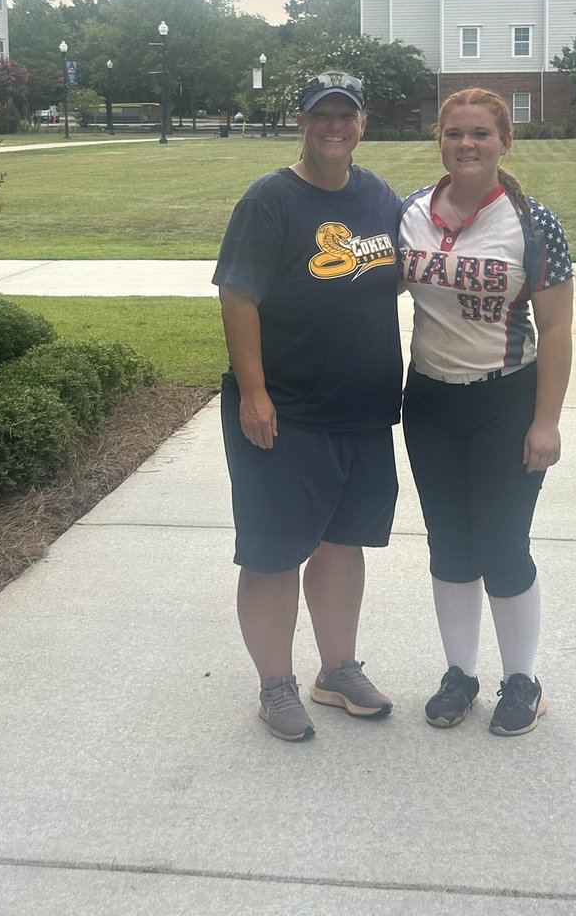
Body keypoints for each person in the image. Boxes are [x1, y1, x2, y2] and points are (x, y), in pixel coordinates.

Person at [213, 71, 403, 742]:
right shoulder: (271, 200)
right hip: (285, 412)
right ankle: (276, 685)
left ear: (361, 123)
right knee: (272, 553)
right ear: (301, 121)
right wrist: (255, 393)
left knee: (343, 542)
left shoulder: (378, 195)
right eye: (321, 115)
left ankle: (337, 669)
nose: (334, 127)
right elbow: (237, 297)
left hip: (362, 408)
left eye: (345, 116)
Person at [399, 88, 573, 736]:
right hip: (431, 401)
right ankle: (460, 675)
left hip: (506, 399)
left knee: (502, 547)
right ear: (439, 139)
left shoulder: (533, 223)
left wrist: (546, 421)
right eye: (454, 134)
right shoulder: (409, 214)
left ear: (504, 142)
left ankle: (522, 680)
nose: (466, 145)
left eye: (480, 134)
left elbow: (556, 328)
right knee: (449, 546)